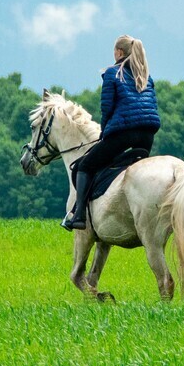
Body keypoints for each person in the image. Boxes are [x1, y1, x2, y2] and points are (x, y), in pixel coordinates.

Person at [64, 35, 160, 230]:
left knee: (84, 166)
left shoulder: (112, 73)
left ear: (119, 52)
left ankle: (79, 215)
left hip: (123, 134)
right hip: (147, 136)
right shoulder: (146, 76)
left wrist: (104, 133)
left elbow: (107, 108)